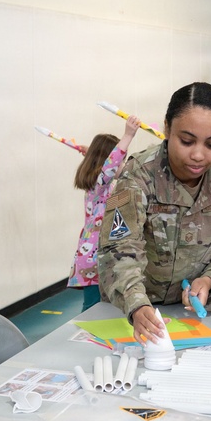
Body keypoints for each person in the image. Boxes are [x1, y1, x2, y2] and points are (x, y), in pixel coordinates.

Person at [98, 82, 211, 344]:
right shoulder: (138, 177)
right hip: (135, 313)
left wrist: (210, 280)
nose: (198, 155)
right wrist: (137, 305)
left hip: (199, 316)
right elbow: (119, 249)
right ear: (167, 128)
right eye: (187, 141)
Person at [67, 115, 140, 311]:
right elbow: (110, 167)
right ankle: (85, 339)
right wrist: (128, 135)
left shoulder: (101, 186)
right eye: (122, 161)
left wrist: (90, 153)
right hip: (94, 260)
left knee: (106, 307)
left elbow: (111, 169)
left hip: (100, 258)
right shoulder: (100, 185)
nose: (123, 166)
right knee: (92, 309)